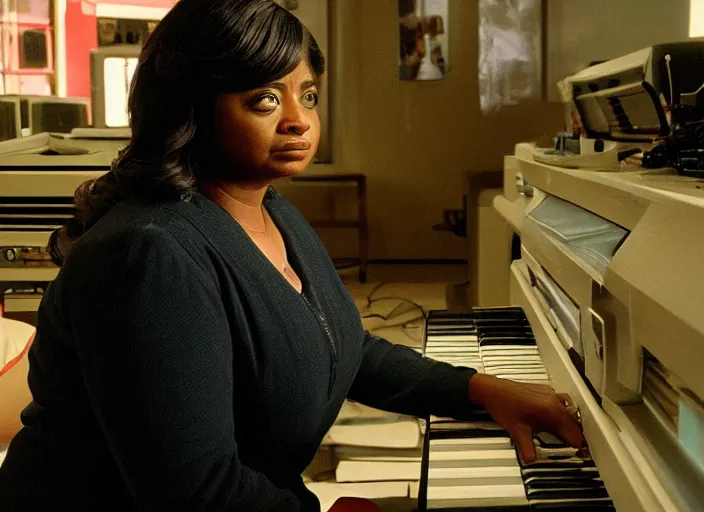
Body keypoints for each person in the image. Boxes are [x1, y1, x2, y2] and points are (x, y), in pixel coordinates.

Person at [0, 1, 585, 511]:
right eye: (264, 100)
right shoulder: (150, 254)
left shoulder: (273, 210)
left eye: (307, 95)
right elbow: (196, 495)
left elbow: (342, 346)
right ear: (191, 107)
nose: (299, 120)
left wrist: (478, 389)